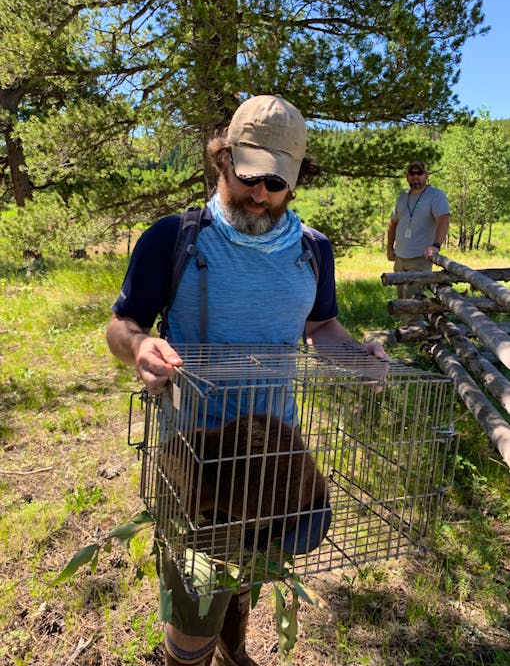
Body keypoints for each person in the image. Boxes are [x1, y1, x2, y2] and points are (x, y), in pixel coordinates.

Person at [106, 94, 387, 666]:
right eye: (247, 173)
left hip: (275, 456)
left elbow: (323, 328)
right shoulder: (173, 238)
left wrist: (360, 357)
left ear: (295, 181)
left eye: (275, 182)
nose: (258, 193)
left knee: (247, 575)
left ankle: (235, 651)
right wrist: (139, 346)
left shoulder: (313, 251)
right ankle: (191, 655)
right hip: (196, 455)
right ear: (222, 159)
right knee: (194, 596)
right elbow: (122, 324)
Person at [387, 160, 450, 308]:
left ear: (426, 175)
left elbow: (443, 219)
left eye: (419, 173)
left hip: (420, 258)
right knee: (402, 300)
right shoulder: (402, 196)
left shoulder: (435, 195)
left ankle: (415, 328)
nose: (415, 176)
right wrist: (389, 248)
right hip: (400, 257)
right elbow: (392, 223)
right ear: (407, 177)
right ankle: (407, 329)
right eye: (412, 173)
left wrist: (435, 245)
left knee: (413, 301)